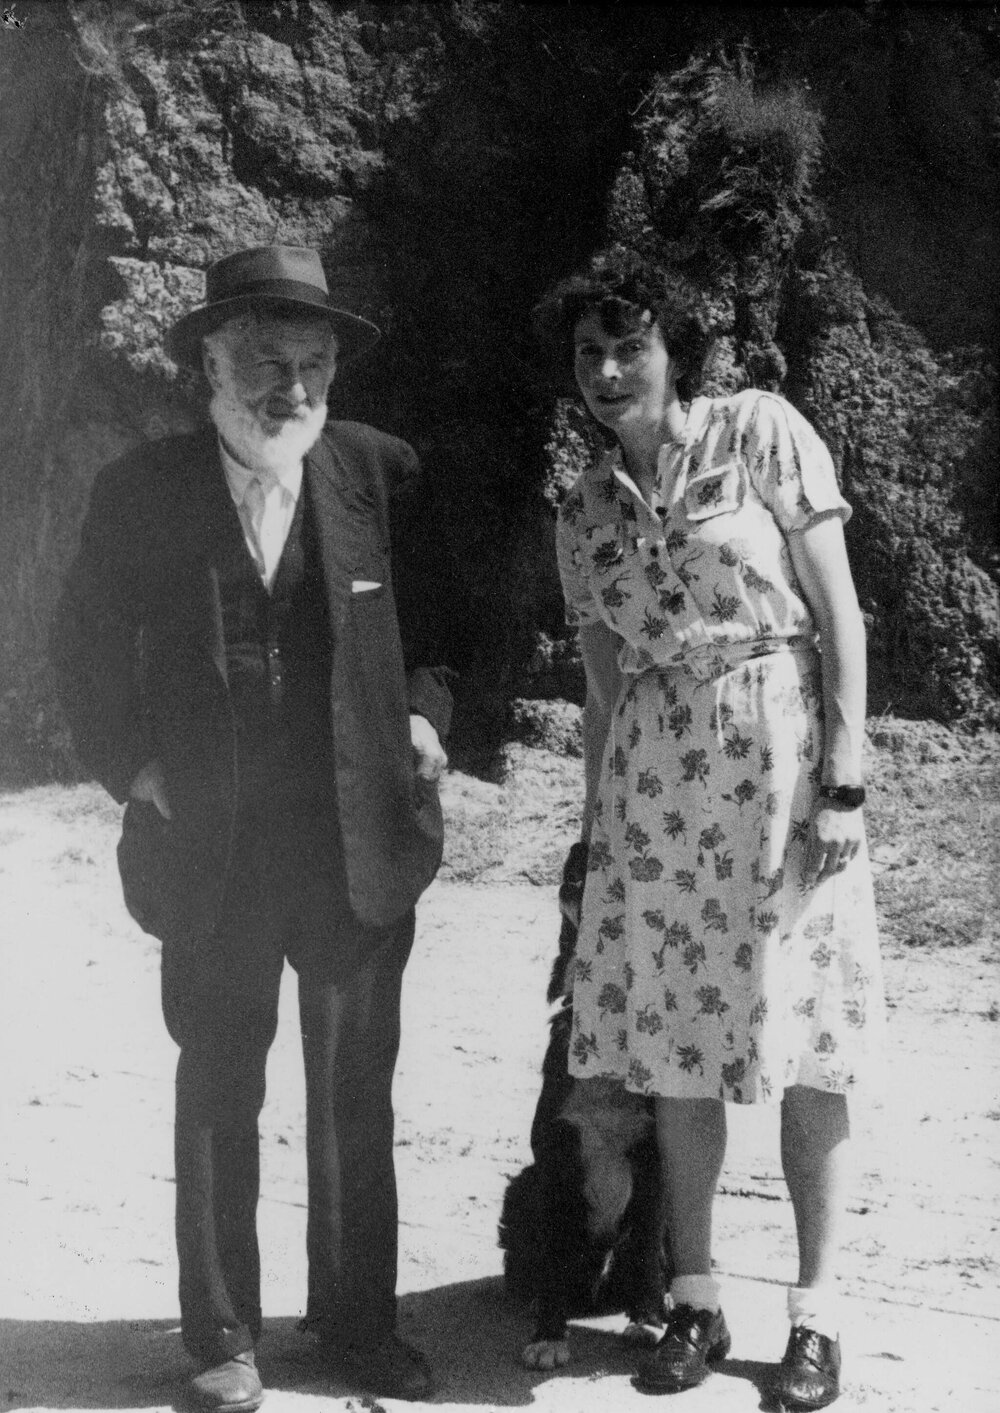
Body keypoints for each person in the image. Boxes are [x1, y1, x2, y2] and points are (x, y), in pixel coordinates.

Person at [51, 245, 453, 1408]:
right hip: (212, 849)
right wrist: (133, 769)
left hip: (353, 840)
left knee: (353, 1089)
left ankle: (357, 1329)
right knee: (218, 1083)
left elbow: (453, 620)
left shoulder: (381, 474)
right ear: (212, 370)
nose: (294, 388)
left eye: (313, 364)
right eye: (269, 363)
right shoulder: (142, 491)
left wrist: (427, 717)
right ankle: (222, 1338)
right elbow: (80, 644)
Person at [538, 248, 885, 1410]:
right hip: (658, 798)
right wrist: (597, 840)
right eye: (587, 352)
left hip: (781, 763)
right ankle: (693, 1297)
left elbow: (835, 606)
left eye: (627, 344)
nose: (606, 369)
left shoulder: (760, 431)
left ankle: (816, 1316)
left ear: (671, 348)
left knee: (805, 1050)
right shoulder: (584, 512)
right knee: (680, 1057)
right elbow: (603, 691)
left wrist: (844, 769)